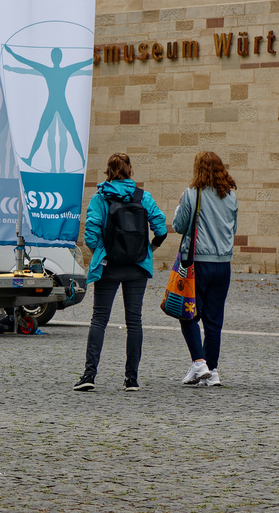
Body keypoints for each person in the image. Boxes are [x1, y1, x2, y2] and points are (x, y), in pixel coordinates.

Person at [75, 153, 168, 393]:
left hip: (108, 267)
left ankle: (89, 375)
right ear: (130, 171)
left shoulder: (99, 199)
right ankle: (131, 379)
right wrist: (148, 249)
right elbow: (161, 228)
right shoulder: (143, 197)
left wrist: (104, 254)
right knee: (134, 321)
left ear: (108, 171)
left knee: (99, 319)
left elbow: (90, 237)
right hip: (137, 266)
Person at [173, 151, 239, 387]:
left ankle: (200, 363)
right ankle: (212, 370)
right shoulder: (231, 196)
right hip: (223, 265)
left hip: (197, 263)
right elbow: (233, 229)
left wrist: (180, 205)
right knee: (214, 321)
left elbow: (179, 226)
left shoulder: (192, 194)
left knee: (187, 313)